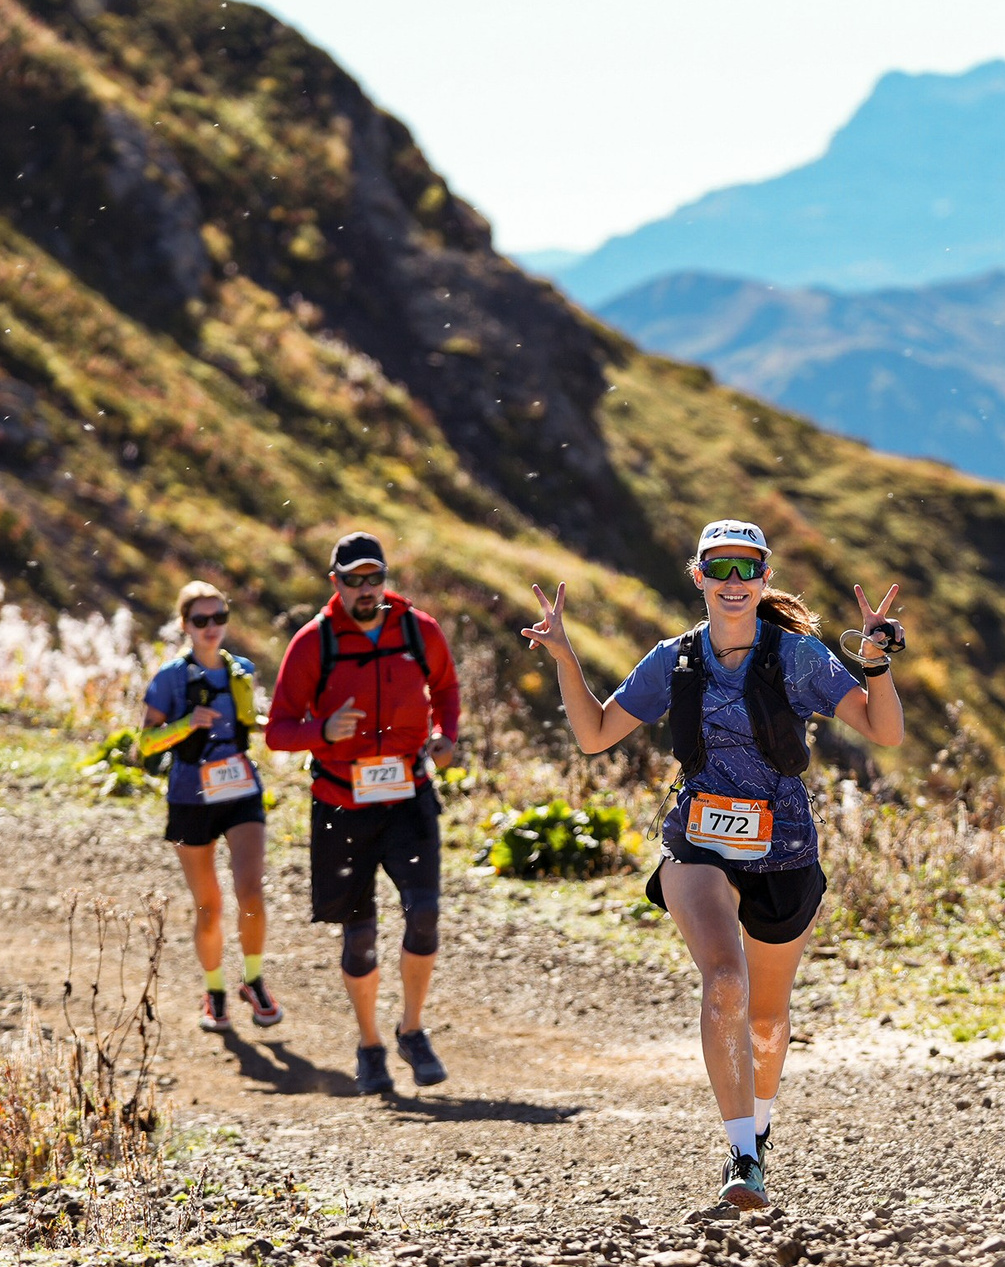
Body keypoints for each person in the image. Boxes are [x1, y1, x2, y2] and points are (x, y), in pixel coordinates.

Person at [522, 518, 904, 1210]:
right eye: (718, 568)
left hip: (785, 853)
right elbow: (595, 734)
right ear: (698, 576)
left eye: (746, 568)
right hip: (696, 843)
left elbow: (885, 731)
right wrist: (565, 657)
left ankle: (759, 1126)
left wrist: (875, 664)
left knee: (767, 1021)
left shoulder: (799, 657)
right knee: (725, 982)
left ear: (764, 578)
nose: (733, 581)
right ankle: (742, 1155)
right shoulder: (673, 660)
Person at [266, 533, 461, 1096]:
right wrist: (321, 731)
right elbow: (278, 730)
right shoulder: (313, 643)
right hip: (340, 806)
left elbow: (446, 690)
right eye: (354, 579)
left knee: (424, 915)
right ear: (336, 583)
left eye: (374, 577)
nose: (365, 589)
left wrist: (446, 736)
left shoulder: (419, 631)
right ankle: (370, 1044)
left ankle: (412, 1031)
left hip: (408, 798)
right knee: (360, 936)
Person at [141, 582, 279, 1034]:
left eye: (219, 617)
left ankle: (253, 980)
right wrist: (185, 724)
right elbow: (146, 744)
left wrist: (279, 726)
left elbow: (249, 722)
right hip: (190, 798)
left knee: (251, 892)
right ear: (185, 625)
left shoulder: (241, 671)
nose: (211, 627)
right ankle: (214, 990)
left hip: (240, 790)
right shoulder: (168, 678)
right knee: (209, 905)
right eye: (201, 620)